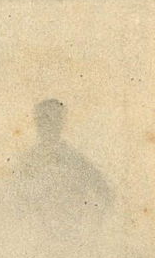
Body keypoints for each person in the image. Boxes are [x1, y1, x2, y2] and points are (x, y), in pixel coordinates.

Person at [11, 98, 116, 239]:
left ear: (61, 123)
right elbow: (12, 201)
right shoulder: (27, 160)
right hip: (34, 242)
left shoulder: (74, 159)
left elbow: (104, 192)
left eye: (52, 120)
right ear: (36, 123)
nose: (47, 125)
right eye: (42, 120)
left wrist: (92, 228)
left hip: (69, 239)